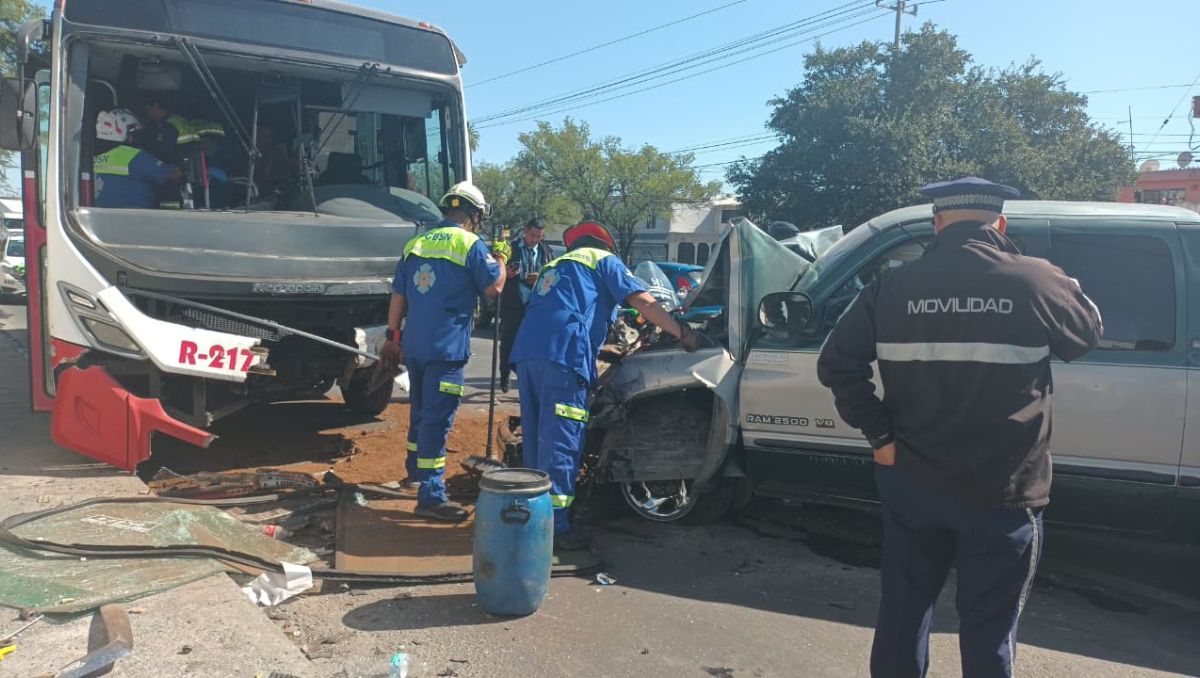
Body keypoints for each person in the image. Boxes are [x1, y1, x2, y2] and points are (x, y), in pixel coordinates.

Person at [816, 177, 1103, 678]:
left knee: (902, 616)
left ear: (938, 223)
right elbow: (1087, 334)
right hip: (1003, 492)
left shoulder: (892, 286)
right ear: (1001, 224)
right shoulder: (1036, 280)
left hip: (912, 481)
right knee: (989, 629)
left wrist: (880, 437)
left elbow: (835, 365)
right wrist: (1051, 276)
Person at [509, 221, 701, 550]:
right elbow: (643, 302)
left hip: (528, 354)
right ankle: (556, 530)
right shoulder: (603, 260)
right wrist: (682, 333)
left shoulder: (555, 265)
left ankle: (533, 518)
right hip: (564, 357)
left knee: (539, 440)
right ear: (606, 246)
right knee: (561, 443)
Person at [378, 182, 508, 522]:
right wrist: (503, 262)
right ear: (474, 216)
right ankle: (431, 496)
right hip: (447, 349)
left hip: (415, 346)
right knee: (438, 420)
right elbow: (494, 288)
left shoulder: (416, 242)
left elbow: (398, 294)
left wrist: (393, 336)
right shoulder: (470, 244)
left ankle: (415, 474)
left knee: (421, 414)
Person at [498, 217, 554, 392]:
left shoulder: (546, 251)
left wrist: (540, 278)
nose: (534, 240)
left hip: (535, 306)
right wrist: (505, 273)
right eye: (532, 235)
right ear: (525, 231)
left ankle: (527, 378)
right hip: (512, 304)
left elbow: (553, 275)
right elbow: (495, 273)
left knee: (533, 344)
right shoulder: (510, 248)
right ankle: (504, 375)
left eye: (538, 236)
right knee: (508, 342)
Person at [93, 109, 181, 209]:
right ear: (123, 133)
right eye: (134, 134)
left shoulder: (91, 157)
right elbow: (173, 175)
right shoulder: (132, 155)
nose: (137, 138)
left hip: (101, 215)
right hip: (137, 216)